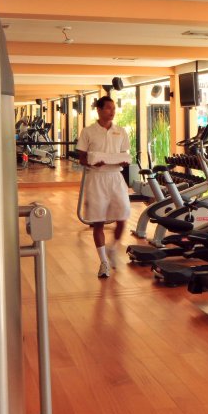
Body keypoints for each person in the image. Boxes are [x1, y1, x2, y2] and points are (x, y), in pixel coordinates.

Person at [77, 96, 131, 278]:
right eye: (108, 108)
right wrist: (92, 163)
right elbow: (81, 158)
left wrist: (124, 162)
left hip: (116, 177)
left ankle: (113, 248)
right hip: (96, 178)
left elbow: (124, 154)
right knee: (98, 221)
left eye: (113, 108)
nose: (112, 111)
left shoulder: (121, 132)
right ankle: (103, 262)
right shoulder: (88, 131)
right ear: (99, 110)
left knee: (123, 216)